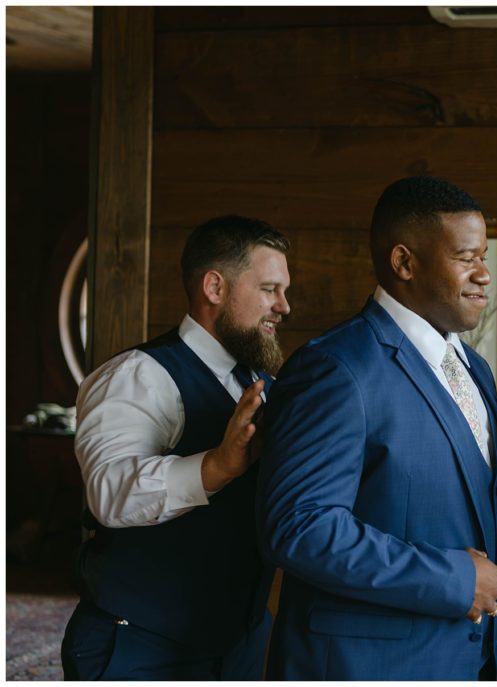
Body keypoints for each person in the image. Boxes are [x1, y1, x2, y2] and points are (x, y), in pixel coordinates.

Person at [256, 176, 497, 680]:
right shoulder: (336, 368)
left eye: (483, 256)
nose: (485, 274)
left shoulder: (473, 367)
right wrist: (453, 578)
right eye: (467, 258)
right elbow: (299, 525)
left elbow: (462, 496)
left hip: (470, 663)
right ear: (404, 263)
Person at [61, 215, 291, 680]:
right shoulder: (136, 376)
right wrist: (218, 466)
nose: (284, 306)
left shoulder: (260, 382)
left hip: (235, 643)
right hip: (140, 645)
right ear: (214, 287)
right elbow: (109, 492)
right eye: (270, 289)